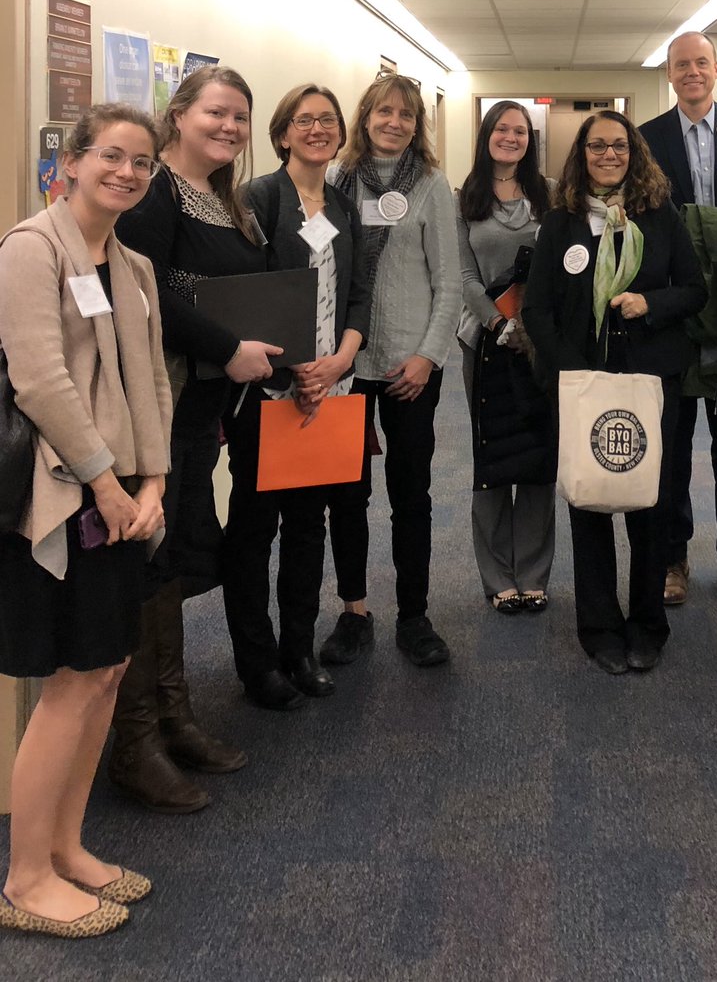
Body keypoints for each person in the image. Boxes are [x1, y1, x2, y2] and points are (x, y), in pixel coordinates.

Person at [0, 104, 173, 937]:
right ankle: (26, 876)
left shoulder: (132, 264)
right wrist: (108, 485)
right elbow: (40, 381)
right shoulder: (31, 249)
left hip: (128, 502)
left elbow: (155, 386)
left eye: (142, 163)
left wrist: (157, 481)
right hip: (64, 498)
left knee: (107, 669)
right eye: (112, 156)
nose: (127, 173)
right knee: (69, 682)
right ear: (71, 161)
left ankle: (67, 847)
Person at [114, 66, 278, 813]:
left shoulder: (225, 199)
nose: (230, 127)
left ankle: (175, 717)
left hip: (201, 405)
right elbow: (146, 293)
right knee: (149, 560)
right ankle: (136, 740)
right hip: (156, 402)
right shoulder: (153, 193)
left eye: (240, 117)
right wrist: (229, 344)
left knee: (174, 551)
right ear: (178, 114)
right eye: (217, 112)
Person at [523, 111, 705, 674]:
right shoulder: (561, 222)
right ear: (582, 154)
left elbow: (695, 290)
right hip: (583, 383)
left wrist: (651, 304)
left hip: (652, 381)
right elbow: (538, 310)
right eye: (597, 146)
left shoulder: (661, 214)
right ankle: (599, 626)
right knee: (590, 503)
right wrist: (578, 377)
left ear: (634, 152)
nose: (609, 154)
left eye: (619, 146)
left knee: (649, 502)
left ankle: (649, 624)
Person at [221, 85, 369, 708]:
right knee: (255, 532)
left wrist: (340, 359)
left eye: (327, 121)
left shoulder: (341, 203)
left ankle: (299, 651)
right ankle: (258, 667)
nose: (317, 129)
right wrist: (296, 368)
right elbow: (246, 297)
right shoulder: (257, 199)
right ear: (282, 134)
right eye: (304, 121)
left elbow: (358, 292)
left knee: (310, 528)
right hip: (269, 393)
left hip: (328, 389)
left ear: (339, 135)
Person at [319, 73, 459, 668]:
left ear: (417, 124)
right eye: (383, 112)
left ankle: (414, 614)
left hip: (409, 363)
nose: (394, 122)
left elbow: (449, 282)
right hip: (345, 365)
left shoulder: (431, 185)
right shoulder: (333, 179)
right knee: (346, 494)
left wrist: (429, 356)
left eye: (405, 114)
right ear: (364, 116)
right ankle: (354, 611)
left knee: (411, 492)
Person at [640, 32, 717, 607]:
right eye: (681, 65)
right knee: (673, 439)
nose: (692, 72)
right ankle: (673, 555)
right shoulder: (649, 139)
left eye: (700, 63)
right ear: (670, 74)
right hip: (677, 309)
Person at [457, 101, 556, 613]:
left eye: (520, 131)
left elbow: (563, 267)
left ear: (529, 139)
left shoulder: (551, 193)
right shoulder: (464, 197)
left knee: (539, 457)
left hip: (541, 345)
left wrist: (533, 330)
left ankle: (535, 572)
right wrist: (501, 324)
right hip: (485, 342)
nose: (510, 138)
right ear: (486, 135)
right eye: (502, 129)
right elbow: (465, 277)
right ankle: (498, 577)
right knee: (493, 456)